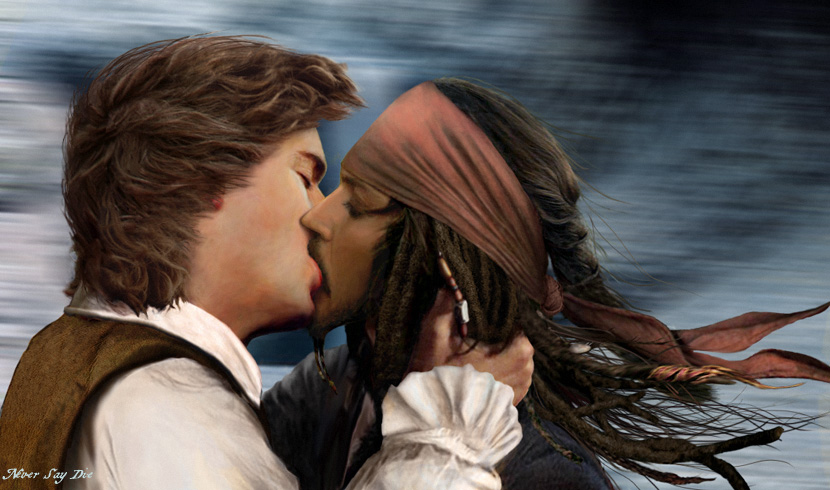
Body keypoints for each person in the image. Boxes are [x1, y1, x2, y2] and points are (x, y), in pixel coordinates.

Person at [0, 38, 534, 490]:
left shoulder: (69, 359)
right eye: (306, 178)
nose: (320, 214)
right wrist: (450, 428)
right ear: (202, 184)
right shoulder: (164, 411)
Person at [263, 78, 830, 490]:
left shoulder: (549, 476)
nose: (316, 217)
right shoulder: (333, 391)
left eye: (359, 204)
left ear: (445, 263)